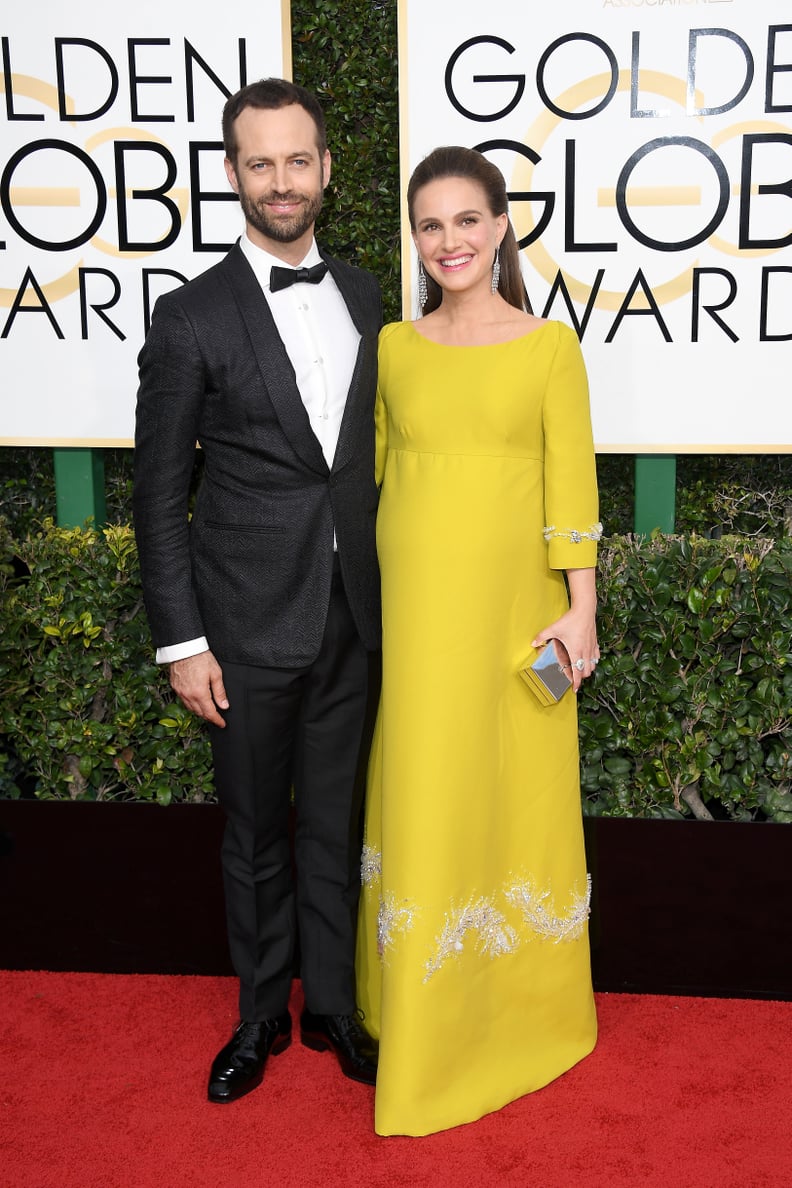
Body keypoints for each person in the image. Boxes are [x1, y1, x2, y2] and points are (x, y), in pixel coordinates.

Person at [133, 79, 382, 1104]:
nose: (281, 181)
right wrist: (181, 642)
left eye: (298, 160)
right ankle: (256, 1015)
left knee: (336, 820)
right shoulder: (190, 315)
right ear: (234, 174)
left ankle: (331, 1002)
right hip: (240, 630)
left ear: (326, 169)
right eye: (259, 162)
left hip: (357, 620)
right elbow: (156, 494)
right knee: (253, 832)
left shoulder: (370, 295)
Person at [356, 145, 601, 1136]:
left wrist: (582, 608)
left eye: (466, 219)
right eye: (430, 224)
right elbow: (369, 473)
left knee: (512, 785)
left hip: (515, 614)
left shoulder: (549, 346)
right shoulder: (394, 347)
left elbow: (571, 484)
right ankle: (413, 1013)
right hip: (414, 616)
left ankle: (526, 1011)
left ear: (501, 226)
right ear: (415, 240)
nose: (449, 240)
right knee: (423, 780)